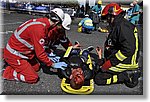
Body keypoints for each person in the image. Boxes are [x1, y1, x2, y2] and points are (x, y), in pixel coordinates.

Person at [2, 8, 69, 84]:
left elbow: (40, 46)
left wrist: (48, 54)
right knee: (32, 78)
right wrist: (52, 64)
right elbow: (40, 54)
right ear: (57, 22)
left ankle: (15, 65)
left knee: (36, 67)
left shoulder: (42, 23)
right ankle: (7, 72)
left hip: (23, 52)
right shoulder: (40, 30)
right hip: (14, 54)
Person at [94, 3, 141, 88]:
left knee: (99, 79)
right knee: (98, 67)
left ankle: (125, 76)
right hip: (119, 59)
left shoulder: (123, 26)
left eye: (107, 18)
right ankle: (123, 74)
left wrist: (110, 63)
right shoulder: (119, 25)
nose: (107, 21)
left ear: (112, 15)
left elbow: (129, 49)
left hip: (126, 63)